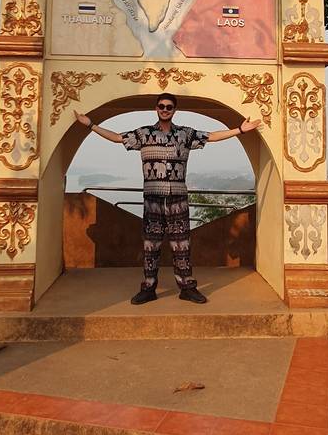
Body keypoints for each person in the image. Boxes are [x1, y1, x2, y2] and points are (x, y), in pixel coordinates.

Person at [75, 95, 261, 304]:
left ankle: (187, 287)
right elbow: (117, 137)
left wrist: (240, 129)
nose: (165, 109)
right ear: (156, 109)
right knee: (150, 245)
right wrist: (91, 125)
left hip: (178, 198)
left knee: (182, 244)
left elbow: (212, 136)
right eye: (162, 106)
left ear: (174, 110)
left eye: (169, 107)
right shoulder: (144, 133)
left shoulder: (184, 134)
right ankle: (148, 288)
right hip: (153, 198)